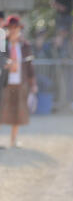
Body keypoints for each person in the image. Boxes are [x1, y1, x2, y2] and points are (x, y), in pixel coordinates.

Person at [0, 15, 38, 147]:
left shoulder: (25, 45)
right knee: (1, 110)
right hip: (4, 83)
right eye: (11, 28)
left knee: (18, 112)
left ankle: (13, 140)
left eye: (16, 28)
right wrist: (7, 63)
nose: (13, 30)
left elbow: (29, 66)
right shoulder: (3, 43)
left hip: (20, 82)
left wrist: (33, 83)